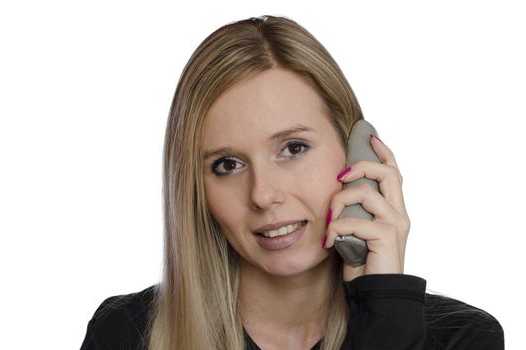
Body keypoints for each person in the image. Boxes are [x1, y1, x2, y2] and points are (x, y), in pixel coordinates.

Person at [80, 15, 504, 349]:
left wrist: (384, 315)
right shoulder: (126, 334)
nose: (264, 195)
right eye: (227, 165)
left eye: (294, 148)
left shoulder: (462, 340)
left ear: (357, 152)